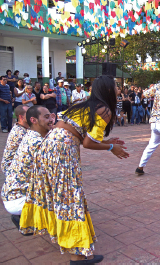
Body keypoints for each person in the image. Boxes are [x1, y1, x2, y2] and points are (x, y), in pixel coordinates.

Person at [19, 75, 129, 263]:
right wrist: (111, 148)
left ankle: (64, 238)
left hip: (49, 146)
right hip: (62, 150)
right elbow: (87, 143)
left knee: (59, 194)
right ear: (109, 90)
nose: (119, 89)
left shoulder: (87, 105)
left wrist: (106, 141)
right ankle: (77, 255)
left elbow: (79, 133)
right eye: (116, 86)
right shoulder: (104, 109)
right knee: (70, 197)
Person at [1, 106, 54, 224]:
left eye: (52, 116)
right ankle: (27, 220)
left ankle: (30, 218)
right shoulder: (28, 136)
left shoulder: (29, 133)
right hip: (16, 196)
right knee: (62, 191)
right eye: (46, 117)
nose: (51, 119)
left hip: (12, 188)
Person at [1, 105, 29, 175]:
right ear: (21, 117)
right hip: (11, 167)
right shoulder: (19, 132)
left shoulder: (21, 127)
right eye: (29, 113)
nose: (33, 115)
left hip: (15, 164)